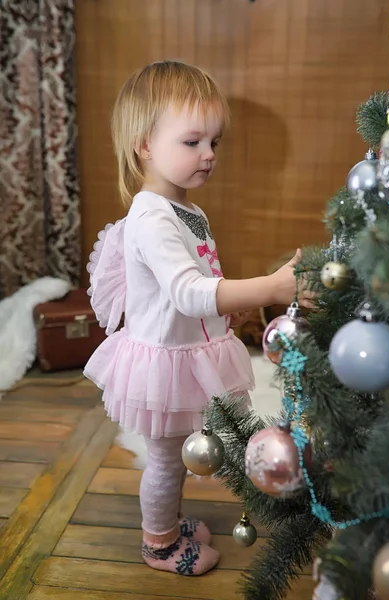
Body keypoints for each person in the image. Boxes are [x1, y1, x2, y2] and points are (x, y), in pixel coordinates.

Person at [84, 60, 314, 577]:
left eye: (215, 142)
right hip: (164, 362)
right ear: (145, 144)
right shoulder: (150, 217)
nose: (209, 155)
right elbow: (190, 293)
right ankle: (159, 544)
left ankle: (170, 521)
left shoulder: (185, 209)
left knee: (187, 449)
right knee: (166, 458)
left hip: (190, 351)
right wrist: (271, 288)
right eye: (192, 142)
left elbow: (201, 280)